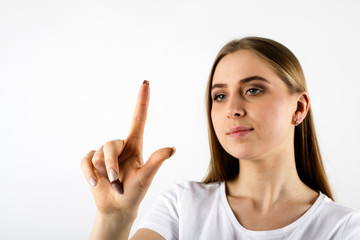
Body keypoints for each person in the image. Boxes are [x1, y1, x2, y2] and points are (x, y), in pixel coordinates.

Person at [80, 36, 360, 239]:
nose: (233, 110)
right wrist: (113, 218)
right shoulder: (182, 207)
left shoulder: (344, 229)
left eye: (253, 90)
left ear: (298, 107)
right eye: (220, 96)